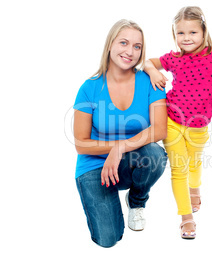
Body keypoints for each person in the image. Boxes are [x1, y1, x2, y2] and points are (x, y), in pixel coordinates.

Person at [144, 6, 212, 239]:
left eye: (192, 32)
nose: (186, 38)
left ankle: (195, 188)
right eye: (181, 33)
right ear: (174, 35)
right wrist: (153, 72)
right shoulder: (174, 58)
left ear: (203, 32)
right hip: (172, 120)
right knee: (179, 169)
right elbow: (147, 63)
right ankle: (186, 217)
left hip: (199, 124)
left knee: (194, 163)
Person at [73, 19, 167, 248]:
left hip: (129, 162)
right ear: (110, 45)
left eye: (137, 47)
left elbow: (160, 129)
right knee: (108, 239)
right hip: (94, 167)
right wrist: (115, 148)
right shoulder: (90, 87)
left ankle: (136, 201)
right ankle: (109, 202)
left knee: (155, 154)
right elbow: (81, 143)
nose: (130, 51)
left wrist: (120, 148)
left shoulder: (150, 82)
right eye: (124, 43)